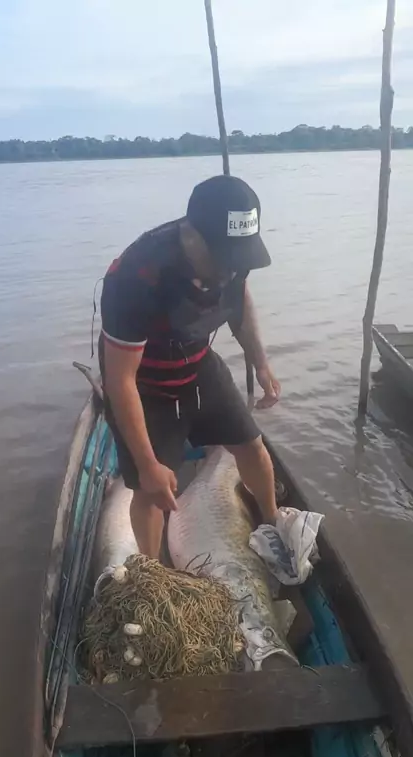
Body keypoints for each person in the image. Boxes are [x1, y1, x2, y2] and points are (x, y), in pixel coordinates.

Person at [99, 174, 281, 558]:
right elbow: (121, 380)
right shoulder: (136, 276)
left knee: (252, 444)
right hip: (144, 382)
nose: (230, 270)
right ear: (191, 235)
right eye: (224, 258)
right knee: (149, 488)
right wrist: (148, 465)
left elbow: (239, 301)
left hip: (197, 361)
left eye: (239, 259)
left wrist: (260, 363)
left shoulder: (234, 262)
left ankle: (272, 521)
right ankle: (151, 571)